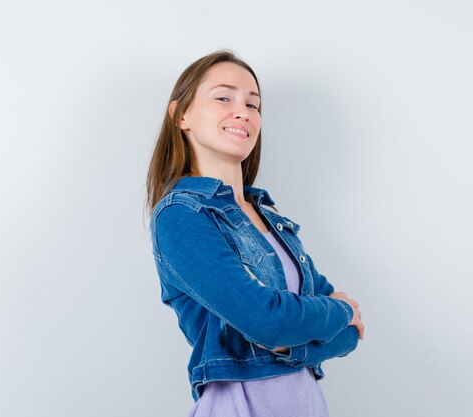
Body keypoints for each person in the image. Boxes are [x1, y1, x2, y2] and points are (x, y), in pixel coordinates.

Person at [145, 50, 364, 417]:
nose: (243, 112)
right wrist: (340, 310)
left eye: (253, 104)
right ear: (181, 114)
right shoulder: (181, 216)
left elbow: (348, 337)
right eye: (223, 98)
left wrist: (295, 335)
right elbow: (268, 321)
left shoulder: (268, 216)